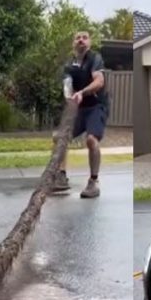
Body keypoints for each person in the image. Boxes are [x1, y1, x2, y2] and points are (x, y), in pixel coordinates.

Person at [54, 31, 109, 198]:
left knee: (91, 140)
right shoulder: (69, 64)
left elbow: (99, 81)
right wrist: (69, 96)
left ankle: (93, 182)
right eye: (78, 38)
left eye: (84, 37)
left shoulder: (95, 58)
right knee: (59, 137)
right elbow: (67, 85)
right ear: (73, 43)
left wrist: (82, 93)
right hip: (78, 108)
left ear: (89, 42)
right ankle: (61, 176)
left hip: (96, 106)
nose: (81, 40)